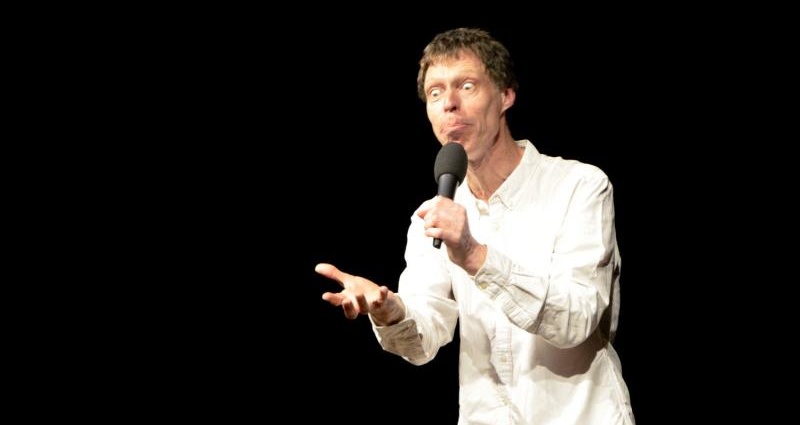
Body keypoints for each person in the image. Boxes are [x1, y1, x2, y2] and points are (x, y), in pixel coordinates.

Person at [316, 27, 635, 424]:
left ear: (506, 95)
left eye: (466, 86)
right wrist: (391, 312)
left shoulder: (578, 186)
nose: (449, 104)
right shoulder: (433, 216)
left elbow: (577, 320)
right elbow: (422, 342)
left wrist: (474, 255)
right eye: (435, 93)